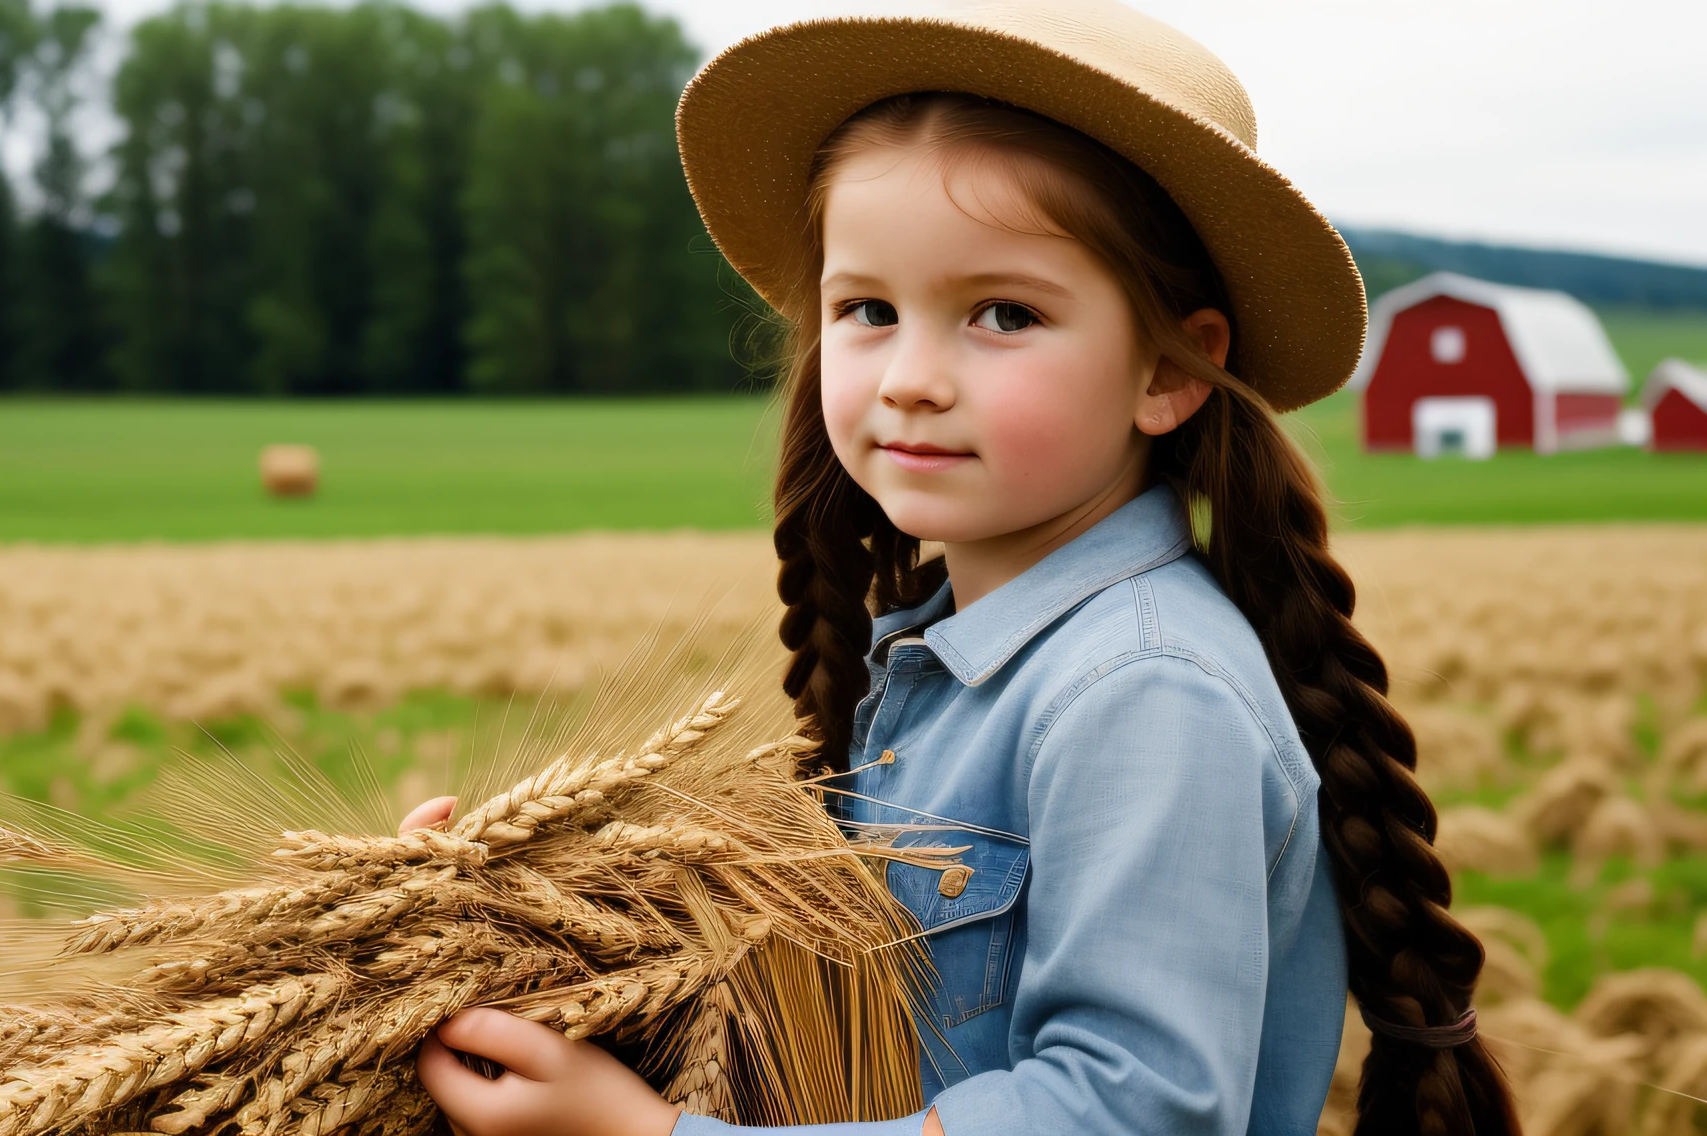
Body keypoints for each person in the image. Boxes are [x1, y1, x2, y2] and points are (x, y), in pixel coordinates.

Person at [399, 1, 1520, 1134]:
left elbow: (1124, 1112)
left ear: (1170, 370)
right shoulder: (942, 661)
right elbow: (845, 1025)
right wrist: (526, 919)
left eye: (1000, 312)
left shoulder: (1140, 693)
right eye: (867, 309)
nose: (911, 377)